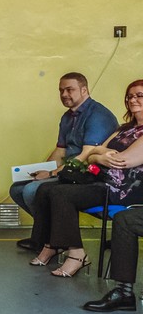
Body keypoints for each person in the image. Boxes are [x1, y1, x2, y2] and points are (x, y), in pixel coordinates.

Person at [28, 79, 143, 278]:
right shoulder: (124, 129)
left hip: (124, 191)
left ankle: (76, 253)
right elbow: (93, 153)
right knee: (46, 189)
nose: (133, 100)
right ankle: (50, 244)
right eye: (130, 96)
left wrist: (100, 156)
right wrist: (99, 157)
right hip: (102, 182)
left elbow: (121, 161)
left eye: (139, 95)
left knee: (61, 194)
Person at [10, 72, 118, 249]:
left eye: (69, 89)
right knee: (16, 189)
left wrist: (51, 173)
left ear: (84, 90)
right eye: (61, 90)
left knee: (31, 191)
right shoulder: (67, 117)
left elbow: (85, 156)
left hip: (88, 175)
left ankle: (49, 241)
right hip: (67, 171)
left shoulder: (98, 115)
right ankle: (48, 235)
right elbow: (60, 150)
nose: (64, 94)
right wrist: (41, 169)